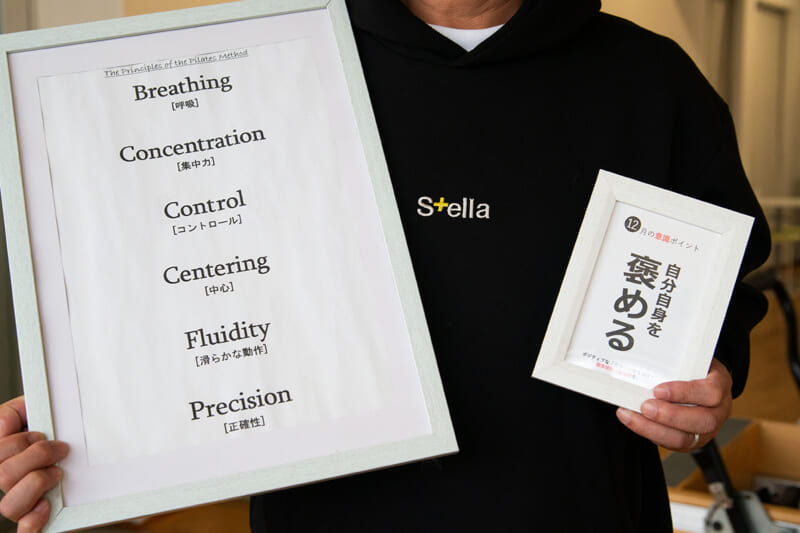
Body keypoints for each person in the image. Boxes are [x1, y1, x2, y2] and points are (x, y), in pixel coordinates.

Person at [0, 0, 771, 531]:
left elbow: (724, 285)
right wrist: (92, 424)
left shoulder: (653, 82)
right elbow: (178, 275)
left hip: (583, 512)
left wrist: (713, 377)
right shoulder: (265, 66)